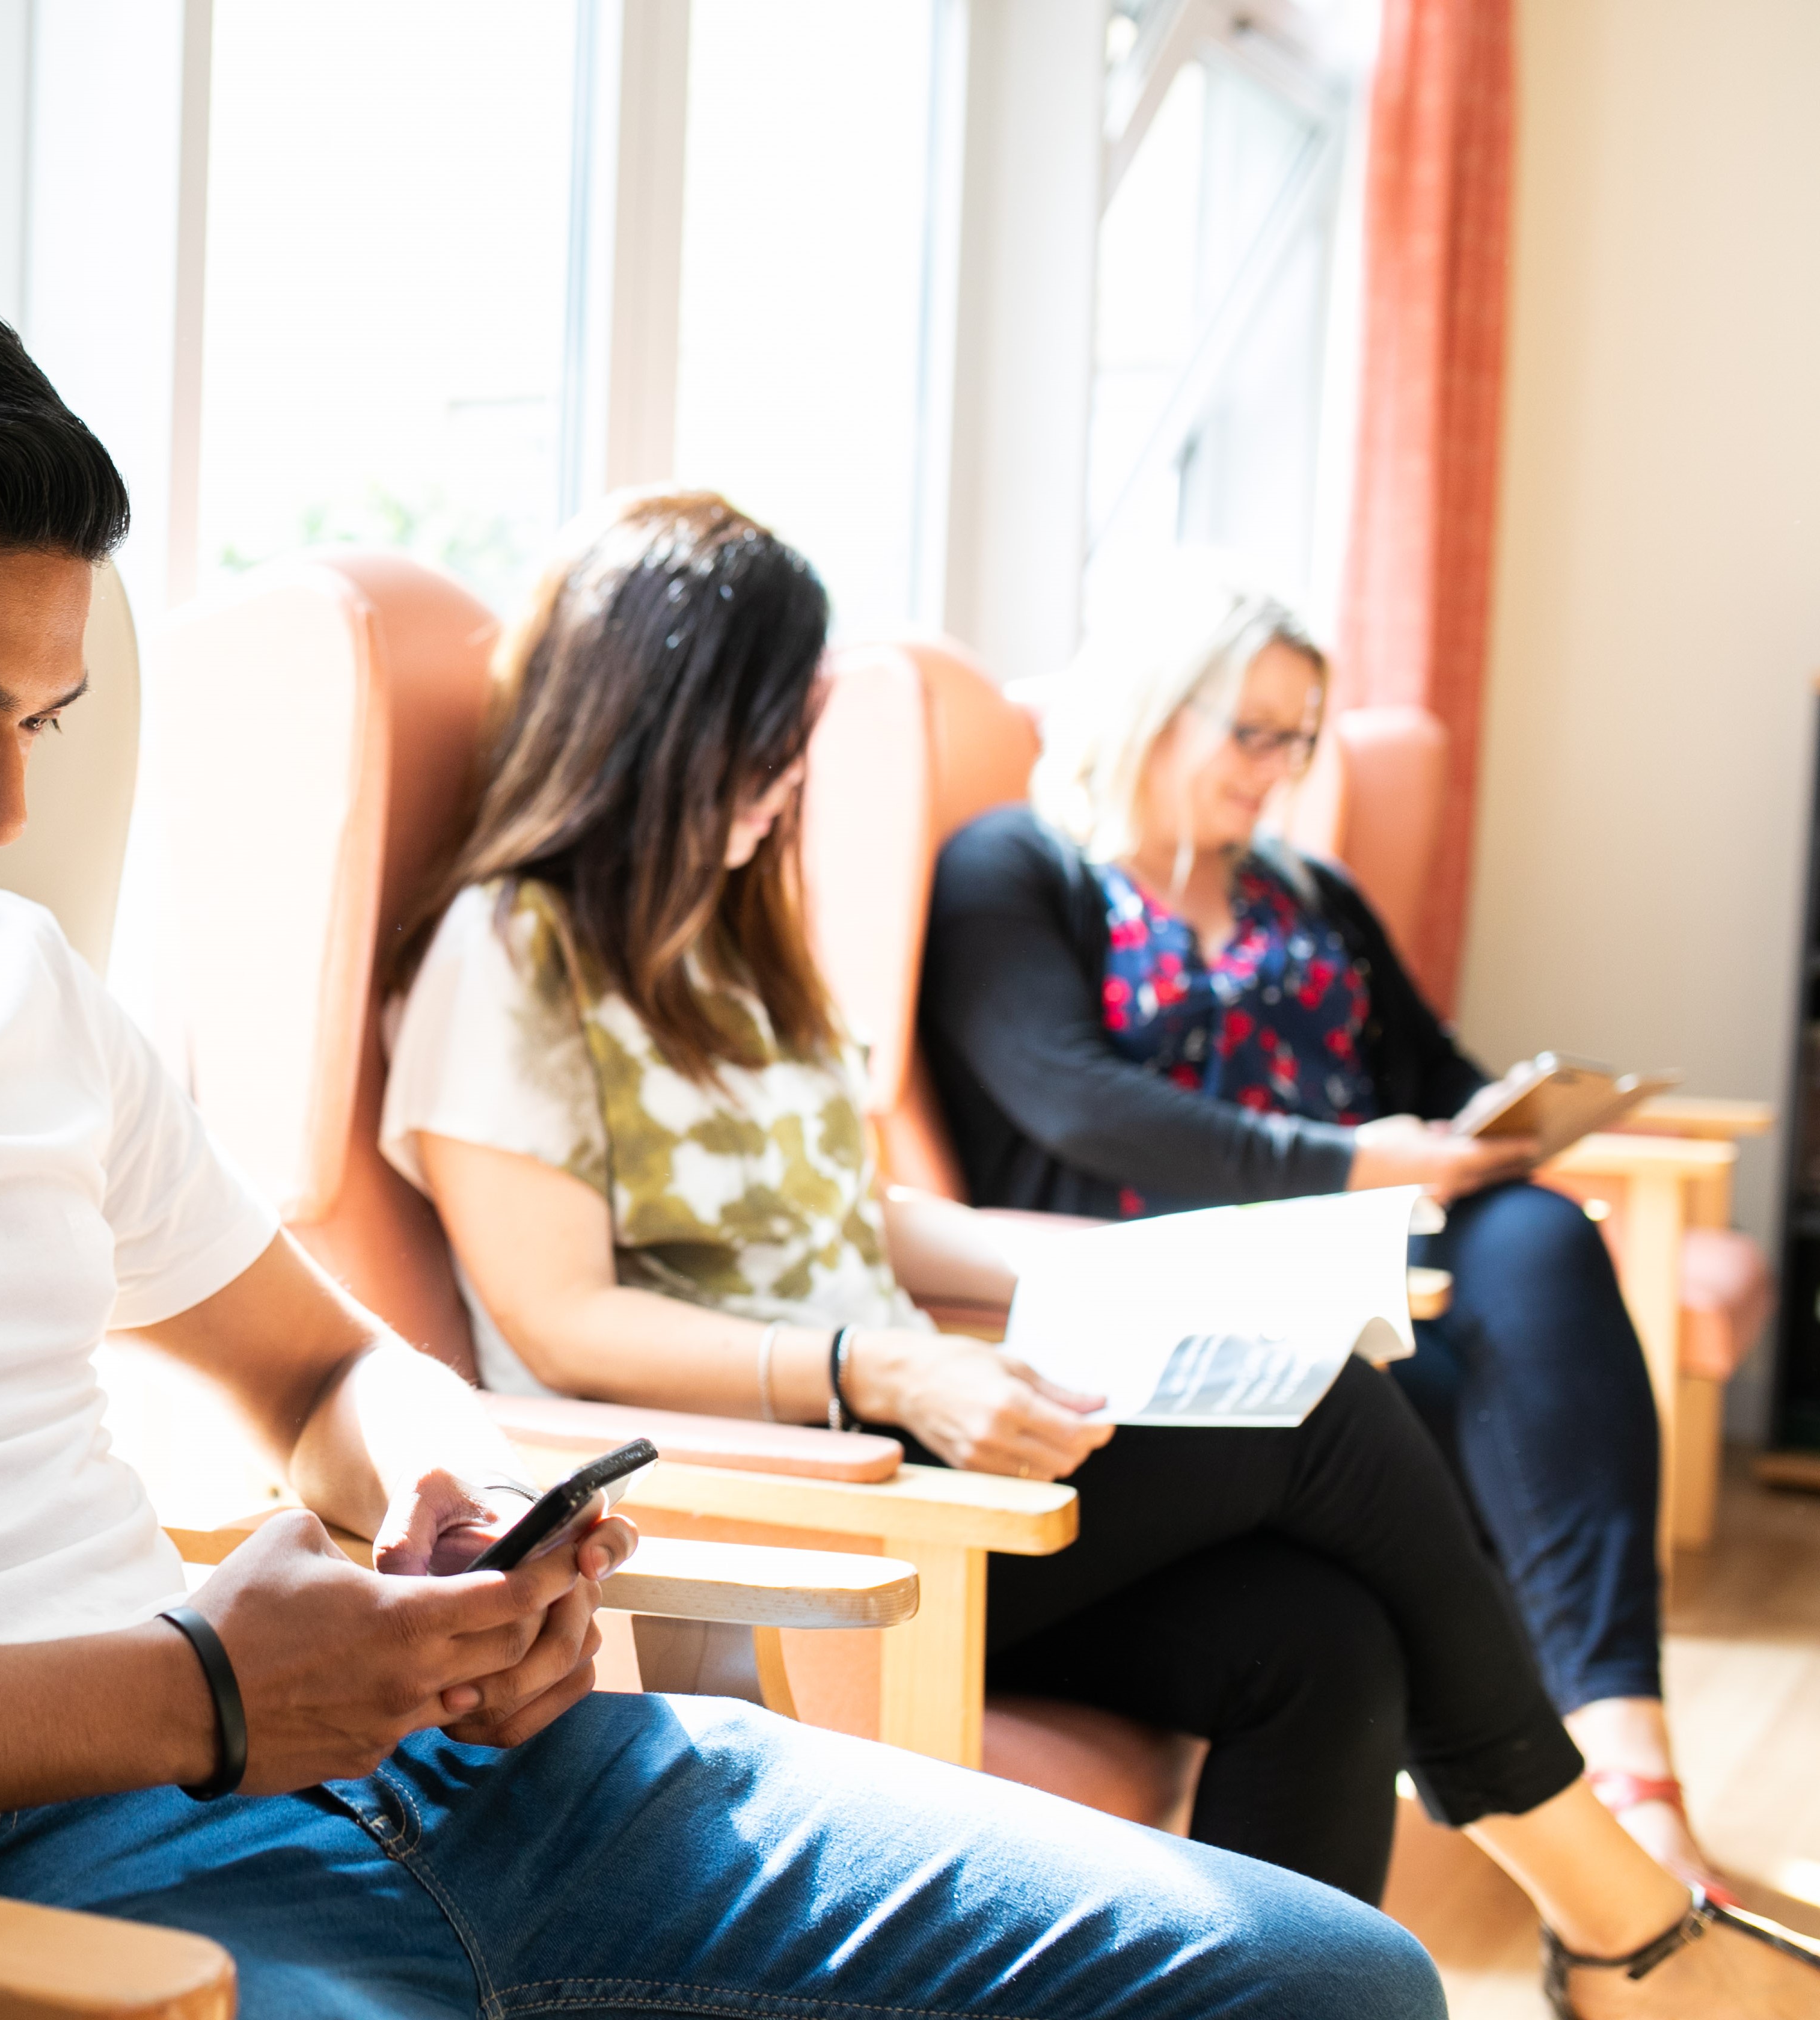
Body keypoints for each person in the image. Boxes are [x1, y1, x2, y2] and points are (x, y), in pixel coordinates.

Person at [0, 268, 1442, 2020]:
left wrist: (449, 1507)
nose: (4, 803)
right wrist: (191, 1696)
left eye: (41, 717)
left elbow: (314, 1371)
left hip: (425, 1780)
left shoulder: (26, 995)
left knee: (1327, 1982)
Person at [382, 488, 1819, 2015]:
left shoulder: (731, 948)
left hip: (899, 1436)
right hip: (768, 1504)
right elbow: (559, 1317)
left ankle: (1531, 1944)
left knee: (1317, 1645)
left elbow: (855, 1223)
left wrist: (1119, 1270)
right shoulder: (508, 951)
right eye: (761, 732)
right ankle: (1613, 1918)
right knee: (1313, 1406)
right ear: (650, 719)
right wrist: (879, 1366)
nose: (785, 776)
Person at [915, 557, 1721, 1893]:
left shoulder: (1307, 893)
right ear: (1153, 706)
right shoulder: (1018, 866)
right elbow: (1068, 1101)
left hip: (1369, 1255)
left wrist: (1508, 1125)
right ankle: (1587, 1841)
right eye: (1252, 730)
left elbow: (1433, 1078)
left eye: (1299, 737)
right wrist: (1336, 1165)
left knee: (1537, 1237)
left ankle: (1627, 1754)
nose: (1278, 766)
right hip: (1158, 1268)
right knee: (1407, 1393)